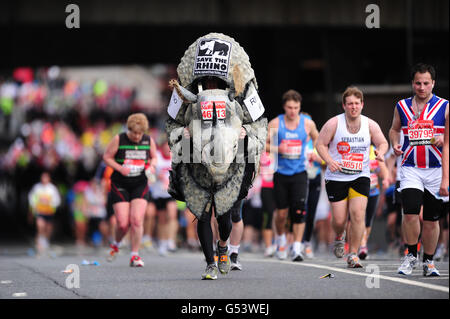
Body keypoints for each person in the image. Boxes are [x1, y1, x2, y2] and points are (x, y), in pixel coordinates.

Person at [316, 86, 388, 268]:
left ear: (362, 104)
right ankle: (340, 236)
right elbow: (320, 144)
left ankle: (353, 253)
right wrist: (329, 160)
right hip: (336, 177)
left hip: (360, 176)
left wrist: (381, 152)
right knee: (339, 220)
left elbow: (382, 142)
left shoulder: (370, 124)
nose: (353, 107)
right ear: (344, 106)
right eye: (350, 104)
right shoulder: (334, 123)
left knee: (357, 215)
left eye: (357, 103)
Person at [389, 63, 448, 276]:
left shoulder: (445, 106)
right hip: (410, 167)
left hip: (436, 169)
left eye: (426, 83)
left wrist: (444, 138)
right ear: (412, 84)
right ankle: (411, 254)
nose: (421, 87)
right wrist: (395, 143)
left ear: (433, 83)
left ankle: (429, 262)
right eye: (417, 83)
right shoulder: (402, 106)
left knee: (432, 220)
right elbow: (394, 129)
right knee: (411, 211)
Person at [266, 89, 319, 261]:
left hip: (300, 173)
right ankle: (281, 241)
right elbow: (262, 144)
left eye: (296, 107)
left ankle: (296, 248)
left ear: (299, 107)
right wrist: (277, 149)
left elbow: (319, 140)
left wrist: (314, 152)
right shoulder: (275, 123)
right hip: (281, 173)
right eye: (289, 107)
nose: (293, 111)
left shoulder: (307, 124)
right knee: (281, 214)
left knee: (299, 211)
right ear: (284, 107)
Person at [103, 113, 157, 267]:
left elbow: (154, 157)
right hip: (120, 183)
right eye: (134, 133)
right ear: (129, 130)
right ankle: (116, 244)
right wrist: (120, 168)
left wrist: (151, 165)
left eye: (140, 133)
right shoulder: (119, 139)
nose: (137, 136)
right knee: (122, 223)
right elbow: (107, 157)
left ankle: (135, 255)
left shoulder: (148, 140)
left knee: (137, 219)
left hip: (140, 182)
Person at [356, 145, 390, 260]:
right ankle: (362, 246)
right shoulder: (355, 148)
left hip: (373, 191)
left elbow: (383, 170)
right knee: (358, 218)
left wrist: (385, 179)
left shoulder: (374, 150)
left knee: (368, 221)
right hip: (358, 191)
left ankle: (363, 244)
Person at [28, 171, 61, 256]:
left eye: (46, 177)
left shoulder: (52, 188)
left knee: (48, 228)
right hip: (40, 210)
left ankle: (46, 240)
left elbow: (57, 200)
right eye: (43, 177)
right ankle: (40, 240)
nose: (44, 179)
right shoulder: (37, 187)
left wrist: (50, 204)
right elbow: (32, 197)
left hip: (49, 211)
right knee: (40, 225)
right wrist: (33, 207)